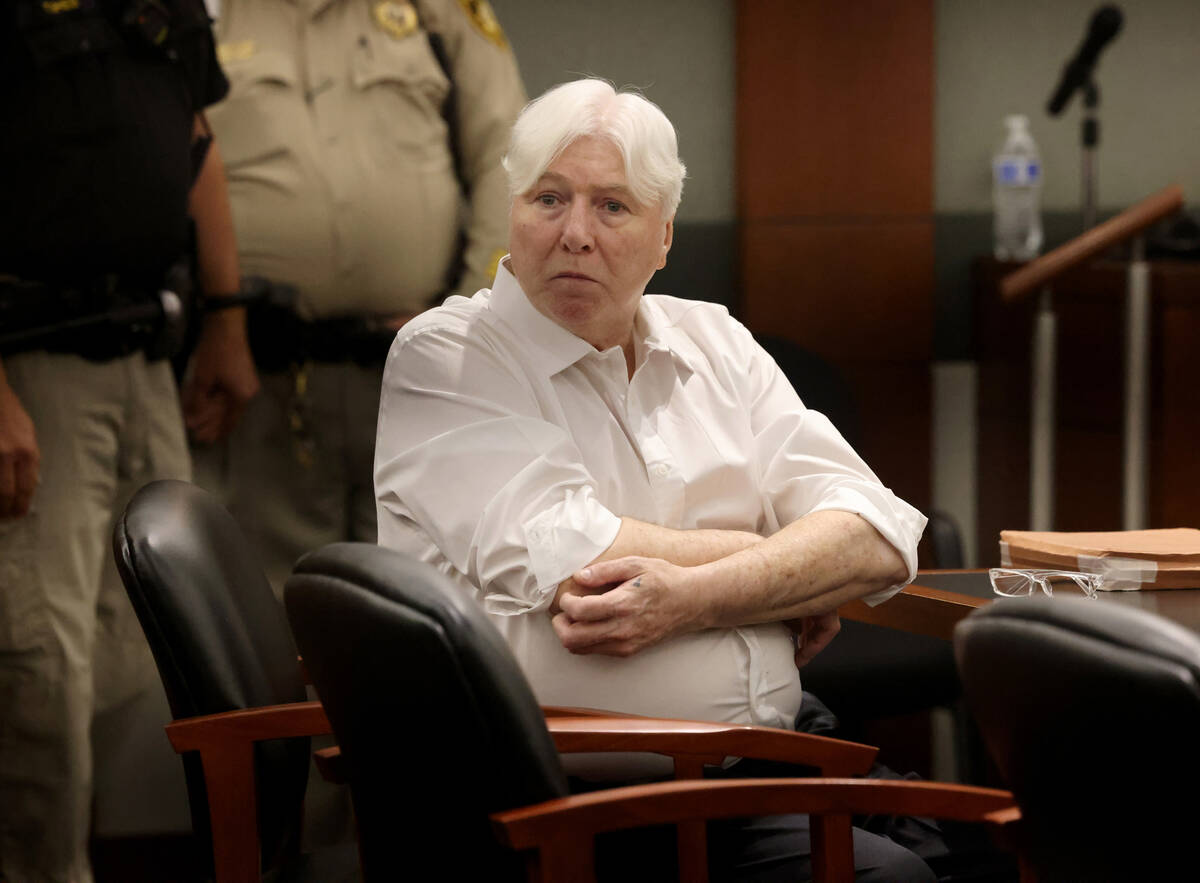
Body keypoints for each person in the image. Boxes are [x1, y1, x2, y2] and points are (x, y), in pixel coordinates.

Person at [374, 78, 947, 880]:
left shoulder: (714, 339)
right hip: (568, 811)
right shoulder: (449, 357)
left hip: (761, 763)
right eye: (548, 198)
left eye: (612, 206)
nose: (575, 232)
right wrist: (780, 571)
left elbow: (878, 535)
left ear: (664, 236)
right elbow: (580, 556)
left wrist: (701, 593)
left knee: (970, 847)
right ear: (513, 212)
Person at [0, 1, 258, 880]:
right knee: (41, 664)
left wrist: (227, 323)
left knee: (135, 652)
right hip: (34, 361)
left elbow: (194, 140)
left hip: (150, 355)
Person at [193, 0, 527, 594]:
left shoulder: (439, 12)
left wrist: (466, 325)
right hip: (258, 380)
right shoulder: (199, 13)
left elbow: (508, 157)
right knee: (273, 609)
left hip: (427, 379)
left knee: (429, 602)